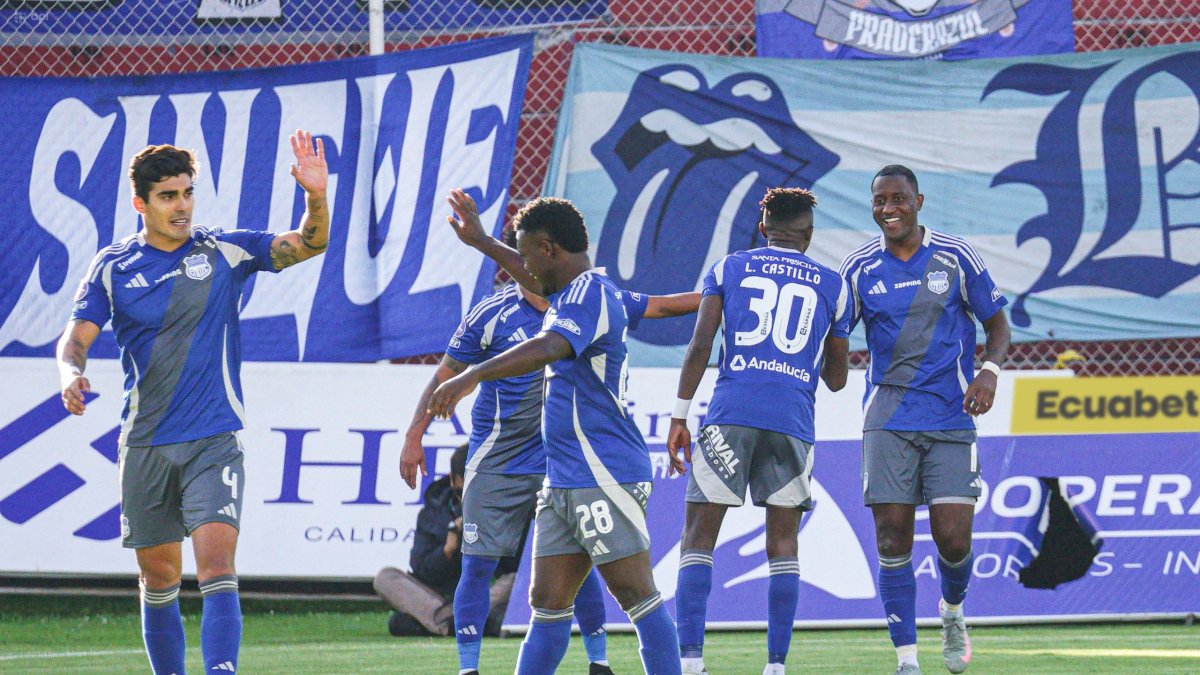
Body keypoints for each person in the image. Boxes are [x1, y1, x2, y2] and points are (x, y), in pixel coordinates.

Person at [56, 131, 329, 675]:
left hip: (213, 440)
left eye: (187, 193)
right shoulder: (112, 267)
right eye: (168, 196)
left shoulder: (223, 251)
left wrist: (315, 197)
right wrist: (70, 373)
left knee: (216, 564)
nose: (182, 206)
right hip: (146, 443)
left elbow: (308, 244)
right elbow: (76, 338)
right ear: (142, 204)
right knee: (158, 580)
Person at [402, 216, 700, 675]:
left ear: (548, 249)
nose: (520, 266)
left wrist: (472, 375)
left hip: (602, 471)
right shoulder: (569, 293)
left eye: (525, 254)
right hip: (562, 476)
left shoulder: (589, 295)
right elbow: (531, 280)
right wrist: (482, 242)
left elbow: (550, 346)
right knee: (547, 602)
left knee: (637, 597)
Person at [665, 188, 850, 675]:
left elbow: (701, 343)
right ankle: (775, 666)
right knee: (783, 544)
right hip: (791, 421)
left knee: (698, 536)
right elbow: (836, 379)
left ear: (763, 227)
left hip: (731, 413)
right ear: (809, 235)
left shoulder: (729, 268)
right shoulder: (833, 285)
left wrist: (679, 416)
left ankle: (690, 662)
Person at [838, 165, 1011, 675]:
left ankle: (953, 612)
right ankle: (907, 661)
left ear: (919, 200)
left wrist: (990, 371)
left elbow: (997, 322)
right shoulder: (859, 267)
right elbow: (836, 336)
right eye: (879, 201)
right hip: (887, 418)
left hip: (950, 417)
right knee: (892, 538)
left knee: (953, 540)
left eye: (898, 199)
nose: (888, 209)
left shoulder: (956, 257)